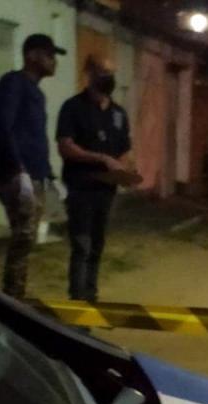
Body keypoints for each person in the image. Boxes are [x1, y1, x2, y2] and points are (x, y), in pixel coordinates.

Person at [56, 55, 132, 301]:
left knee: (97, 245)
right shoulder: (73, 107)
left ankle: (91, 297)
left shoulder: (118, 113)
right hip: (81, 188)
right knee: (82, 245)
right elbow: (65, 146)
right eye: (102, 72)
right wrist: (102, 158)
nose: (108, 78)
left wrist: (124, 168)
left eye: (111, 73)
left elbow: (125, 149)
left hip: (106, 191)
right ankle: (77, 302)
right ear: (88, 74)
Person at [0, 34, 66, 299]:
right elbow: (2, 127)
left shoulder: (36, 92)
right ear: (32, 56)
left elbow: (36, 138)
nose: (54, 61)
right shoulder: (14, 83)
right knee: (23, 237)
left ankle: (15, 296)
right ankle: (12, 300)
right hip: (18, 176)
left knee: (27, 238)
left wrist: (49, 175)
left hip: (35, 177)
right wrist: (19, 170)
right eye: (49, 55)